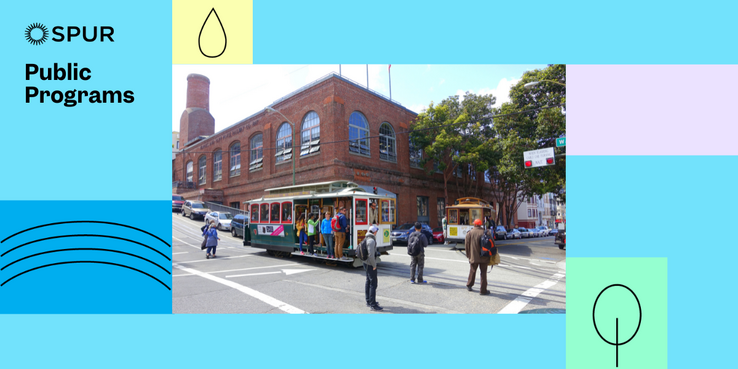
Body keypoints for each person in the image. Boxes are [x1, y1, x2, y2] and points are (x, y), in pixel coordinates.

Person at [464, 218, 491, 295]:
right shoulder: (486, 232)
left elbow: (466, 245)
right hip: (484, 256)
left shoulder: (470, 233)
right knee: (483, 273)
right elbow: (492, 243)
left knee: (472, 270)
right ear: (481, 224)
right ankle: (483, 290)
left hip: (474, 256)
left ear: (474, 224)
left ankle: (469, 285)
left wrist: (468, 255)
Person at [363, 225, 382, 311]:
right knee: (373, 284)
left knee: (368, 281)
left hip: (365, 263)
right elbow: (371, 256)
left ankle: (368, 301)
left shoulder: (366, 238)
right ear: (374, 232)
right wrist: (374, 266)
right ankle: (373, 304)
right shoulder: (371, 241)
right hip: (370, 264)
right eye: (376, 231)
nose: (376, 233)